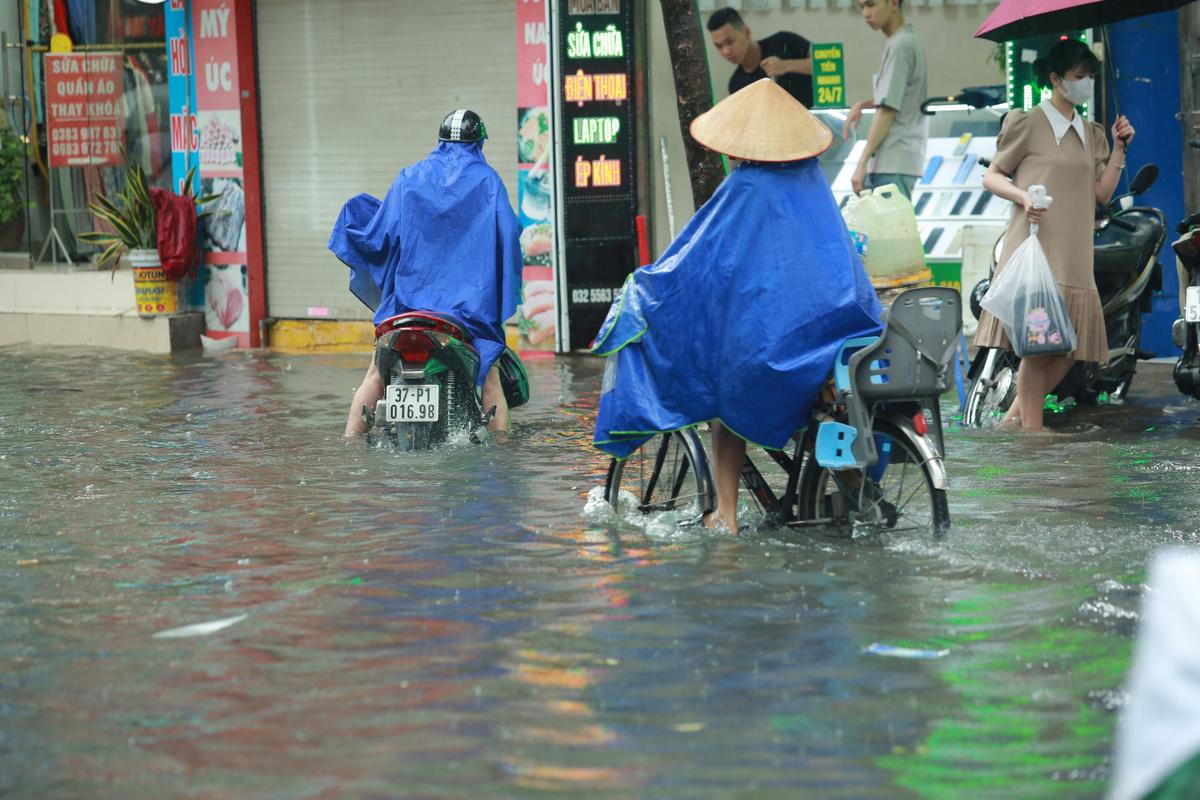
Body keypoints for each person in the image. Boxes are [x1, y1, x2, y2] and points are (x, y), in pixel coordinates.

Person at [592, 79, 883, 532]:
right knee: (832, 407)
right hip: (842, 335)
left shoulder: (746, 186)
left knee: (725, 395)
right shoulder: (813, 184)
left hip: (778, 353)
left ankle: (724, 516)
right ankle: (851, 498)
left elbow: (694, 261)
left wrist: (643, 288)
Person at [328, 109, 522, 437]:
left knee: (376, 374)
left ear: (441, 141)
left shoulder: (409, 177)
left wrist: (357, 214)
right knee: (490, 378)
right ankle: (503, 460)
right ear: (478, 143)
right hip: (467, 315)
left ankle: (348, 444)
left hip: (406, 309)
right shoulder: (488, 182)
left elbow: (381, 234)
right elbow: (509, 236)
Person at [973, 39, 1134, 431]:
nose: (1087, 83)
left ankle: (1013, 421)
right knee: (1038, 347)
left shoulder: (1092, 132)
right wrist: (1022, 196)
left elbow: (1102, 193)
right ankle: (1031, 431)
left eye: (1091, 77)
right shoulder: (1027, 123)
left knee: (1070, 349)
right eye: (1080, 76)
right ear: (1056, 79)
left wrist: (1118, 148)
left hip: (1075, 256)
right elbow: (992, 175)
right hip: (1036, 251)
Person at [841, 0, 927, 199]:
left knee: (894, 229)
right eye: (861, 7)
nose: (865, 13)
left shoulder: (901, 44)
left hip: (893, 158)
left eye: (871, 5)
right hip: (898, 158)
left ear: (893, 3)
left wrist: (861, 163)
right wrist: (862, 104)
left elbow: (887, 108)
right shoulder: (905, 39)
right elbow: (896, 95)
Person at [707, 8, 814, 108]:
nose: (726, 51)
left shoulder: (783, 42)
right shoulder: (736, 85)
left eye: (729, 42)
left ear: (746, 32)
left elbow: (826, 65)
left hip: (816, 122)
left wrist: (786, 66)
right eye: (719, 46)